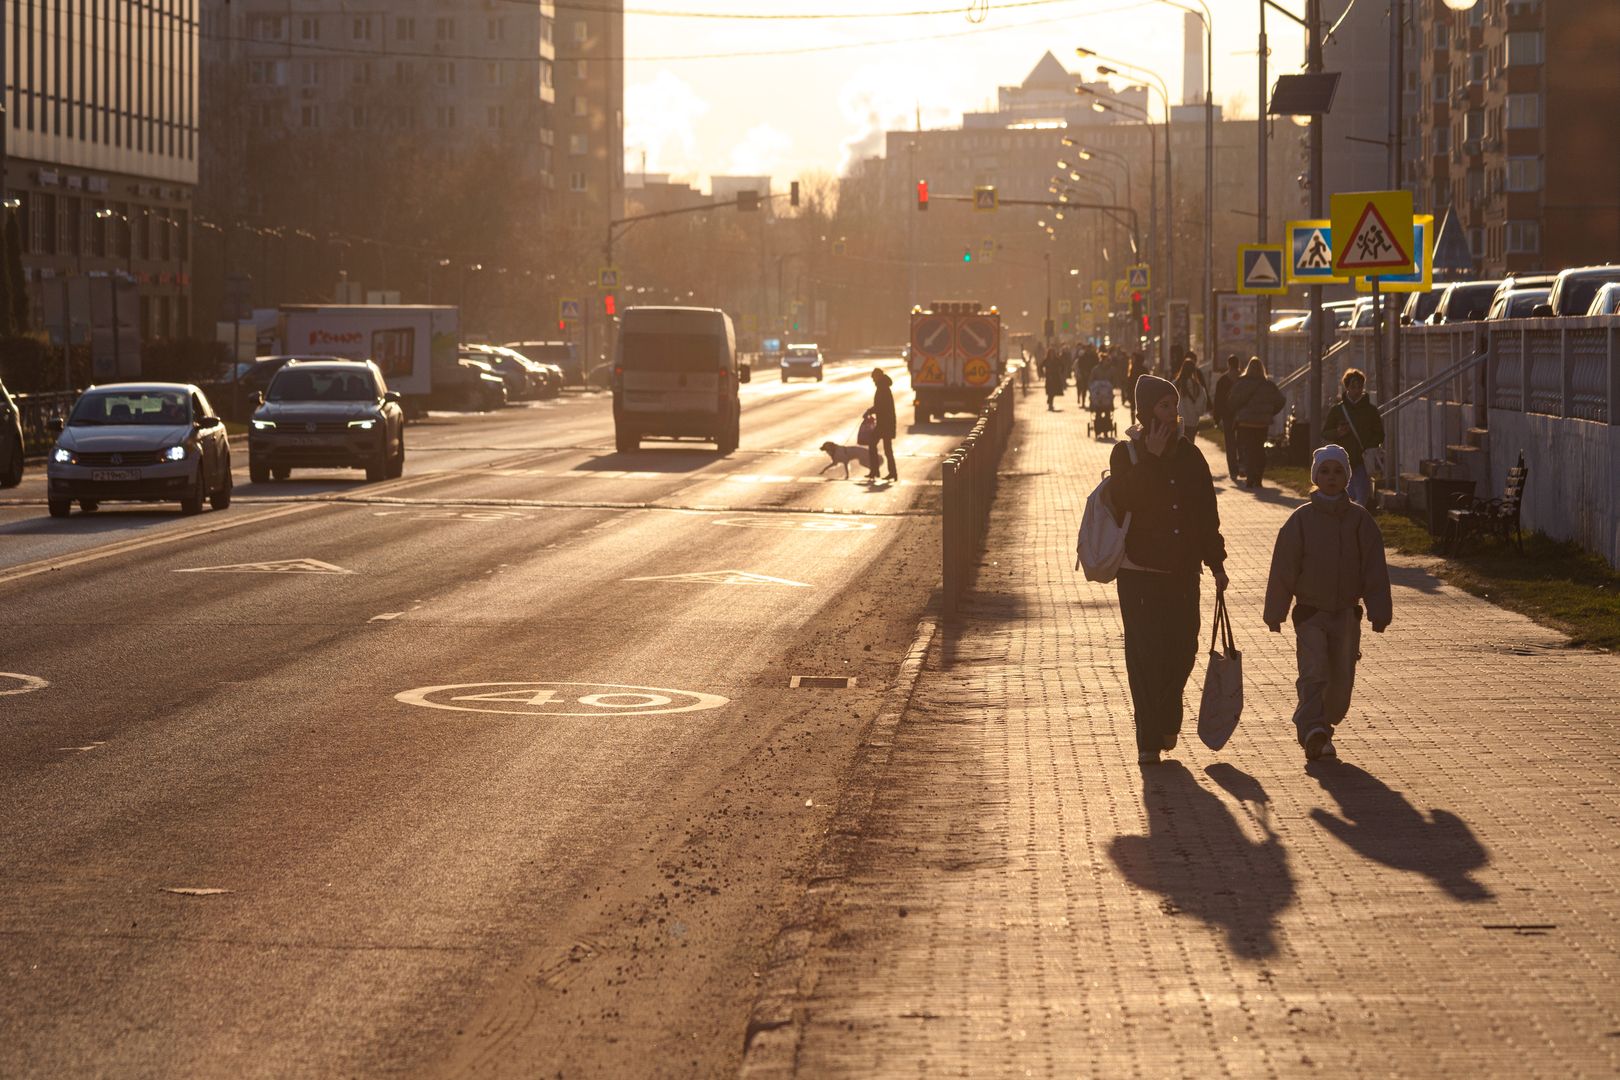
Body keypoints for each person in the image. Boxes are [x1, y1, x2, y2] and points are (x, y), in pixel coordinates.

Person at [1108, 374, 1230, 766]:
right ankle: (1148, 739)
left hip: (1181, 571)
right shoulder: (1125, 454)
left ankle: (1167, 716)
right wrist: (1153, 460)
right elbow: (1124, 497)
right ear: (1146, 411)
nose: (1172, 415)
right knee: (1145, 655)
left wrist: (1216, 562)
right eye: (1164, 406)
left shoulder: (1191, 455)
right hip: (1138, 572)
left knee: (1183, 649)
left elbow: (1205, 514)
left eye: (1175, 407)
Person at [1263, 444, 1392, 762]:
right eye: (1324, 471)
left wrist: (1379, 610)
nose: (1331, 477)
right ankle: (1312, 730)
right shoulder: (1301, 521)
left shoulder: (1360, 521)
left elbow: (1374, 568)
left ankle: (1323, 722)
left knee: (1340, 682)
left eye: (1337, 471)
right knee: (1314, 671)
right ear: (1315, 476)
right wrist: (1275, 612)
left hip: (1346, 613)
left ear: (1347, 477)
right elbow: (1284, 568)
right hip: (1310, 613)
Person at [1319, 368, 1386, 506]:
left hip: (1363, 460)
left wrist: (1368, 446)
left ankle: (1358, 522)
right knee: (1345, 495)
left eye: (1360, 387)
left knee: (1361, 497)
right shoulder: (1337, 410)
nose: (1357, 390)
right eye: (1353, 387)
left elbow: (1379, 434)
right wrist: (1338, 432)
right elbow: (1325, 432)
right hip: (1343, 460)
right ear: (1347, 387)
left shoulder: (1370, 410)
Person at [1226, 357, 1285, 490]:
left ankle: (1250, 477)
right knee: (1259, 450)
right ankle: (1258, 478)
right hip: (1261, 424)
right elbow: (1281, 400)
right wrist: (1269, 412)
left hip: (1245, 423)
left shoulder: (1241, 384)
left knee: (1247, 450)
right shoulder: (1268, 385)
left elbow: (1232, 402)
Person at [1211, 354, 1244, 482]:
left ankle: (1233, 471)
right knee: (1241, 441)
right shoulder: (1243, 379)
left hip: (1227, 415)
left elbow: (1218, 400)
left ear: (1228, 364)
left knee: (1230, 443)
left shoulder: (1223, 380)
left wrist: (1216, 417)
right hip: (1241, 415)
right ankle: (1242, 466)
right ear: (1238, 364)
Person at [866, 368, 897, 481]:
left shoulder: (882, 388)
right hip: (886, 423)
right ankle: (891, 472)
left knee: (874, 444)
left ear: (878, 376)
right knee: (887, 449)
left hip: (884, 424)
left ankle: (875, 471)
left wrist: (870, 411)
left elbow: (880, 406)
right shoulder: (884, 386)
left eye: (873, 377)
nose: (873, 380)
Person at [1172, 355, 1210, 441]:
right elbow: (1200, 409)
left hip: (1178, 421)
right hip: (1192, 422)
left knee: (1178, 446)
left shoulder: (1175, 385)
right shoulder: (1198, 388)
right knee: (1190, 446)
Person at [1044, 343, 1068, 411]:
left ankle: (1050, 402)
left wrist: (1061, 372)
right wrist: (1043, 373)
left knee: (1053, 391)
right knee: (1049, 391)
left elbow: (1062, 365)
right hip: (1049, 377)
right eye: (1051, 353)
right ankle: (1050, 402)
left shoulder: (1057, 359)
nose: (1052, 355)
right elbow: (1041, 366)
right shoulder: (1047, 360)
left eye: (1053, 353)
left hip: (1055, 377)